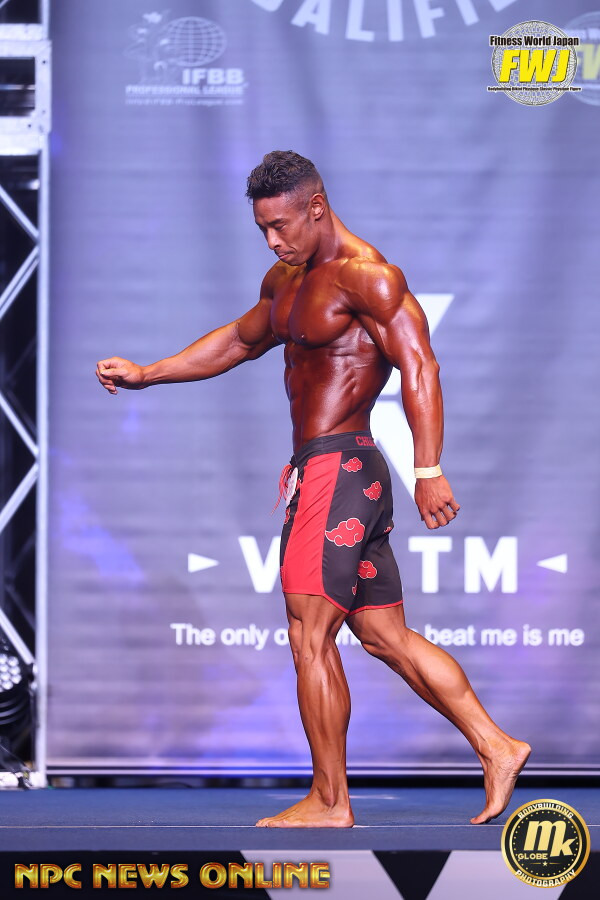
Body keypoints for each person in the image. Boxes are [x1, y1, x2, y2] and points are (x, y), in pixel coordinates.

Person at [96, 150, 531, 828]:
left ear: (317, 209)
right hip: (326, 471)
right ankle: (497, 746)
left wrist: (428, 469)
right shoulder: (286, 280)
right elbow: (238, 342)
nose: (273, 241)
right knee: (384, 635)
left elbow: (420, 366)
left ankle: (330, 801)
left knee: (308, 633)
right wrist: (149, 373)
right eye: (262, 229)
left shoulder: (369, 277)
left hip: (340, 469)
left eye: (281, 225)